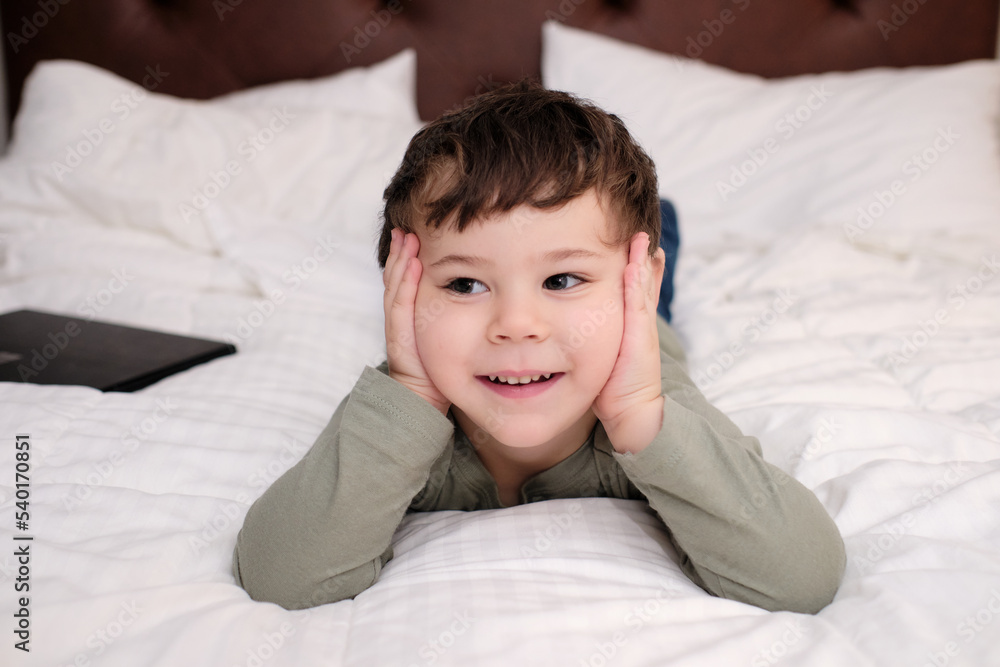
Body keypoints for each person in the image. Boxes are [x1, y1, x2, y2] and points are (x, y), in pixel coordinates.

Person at [232, 79, 845, 614]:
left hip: (634, 327)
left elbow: (802, 576)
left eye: (561, 279)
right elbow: (283, 577)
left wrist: (638, 416)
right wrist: (413, 392)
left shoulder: (652, 400)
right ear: (404, 292)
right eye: (465, 283)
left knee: (652, 264)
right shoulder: (400, 412)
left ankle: (660, 241)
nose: (517, 325)